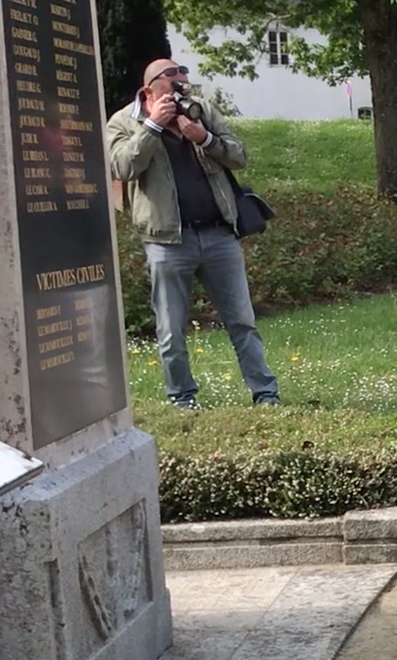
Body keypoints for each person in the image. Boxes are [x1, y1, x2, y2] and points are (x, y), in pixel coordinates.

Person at [107, 59, 280, 410]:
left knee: (242, 321)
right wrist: (153, 126)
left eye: (184, 77)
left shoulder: (202, 111)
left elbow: (239, 155)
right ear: (149, 90)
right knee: (171, 328)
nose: (182, 83)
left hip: (219, 236)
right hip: (167, 242)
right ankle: (182, 398)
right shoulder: (124, 121)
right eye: (173, 78)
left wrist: (205, 138)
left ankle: (266, 394)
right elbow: (121, 167)